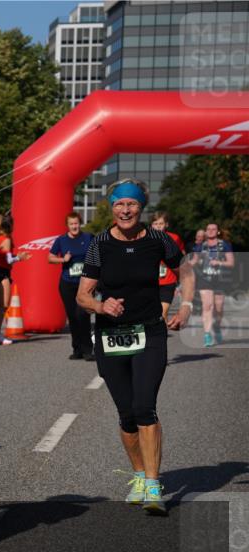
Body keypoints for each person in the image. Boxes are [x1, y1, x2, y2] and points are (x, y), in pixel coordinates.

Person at [75, 179, 194, 515]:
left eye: (131, 204)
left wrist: (184, 306)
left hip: (150, 332)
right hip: (111, 336)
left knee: (145, 406)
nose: (125, 210)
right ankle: (140, 475)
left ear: (142, 207)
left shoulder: (159, 240)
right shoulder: (99, 243)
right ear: (111, 208)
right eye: (119, 205)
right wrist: (101, 307)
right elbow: (83, 294)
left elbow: (186, 272)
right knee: (127, 415)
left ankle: (154, 485)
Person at [49, 211, 94, 360]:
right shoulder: (61, 240)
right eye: (71, 224)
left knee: (83, 315)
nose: (74, 226)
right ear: (67, 225)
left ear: (79, 223)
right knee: (73, 317)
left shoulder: (88, 238)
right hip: (67, 283)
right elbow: (50, 258)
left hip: (85, 283)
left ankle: (88, 350)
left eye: (76, 223)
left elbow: (98, 254)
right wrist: (63, 260)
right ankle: (77, 349)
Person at [0, 212, 30, 345]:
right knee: (3, 305)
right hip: (2, 273)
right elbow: (9, 259)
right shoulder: (6, 239)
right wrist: (19, 257)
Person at [188, 222, 234, 347]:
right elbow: (194, 260)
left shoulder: (224, 245)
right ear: (206, 232)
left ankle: (217, 326)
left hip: (220, 280)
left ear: (218, 231)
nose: (211, 231)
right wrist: (185, 265)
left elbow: (231, 263)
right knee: (207, 306)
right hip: (205, 279)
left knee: (218, 308)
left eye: (214, 229)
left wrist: (219, 262)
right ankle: (207, 334)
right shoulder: (201, 246)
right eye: (208, 229)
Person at [150, 212, 185, 321]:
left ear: (167, 225)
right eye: (155, 223)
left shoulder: (174, 238)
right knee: (151, 313)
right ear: (151, 225)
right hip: (150, 281)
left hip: (168, 281)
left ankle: (161, 337)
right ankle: (155, 335)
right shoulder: (146, 238)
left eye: (161, 223)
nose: (158, 226)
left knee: (162, 312)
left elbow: (182, 256)